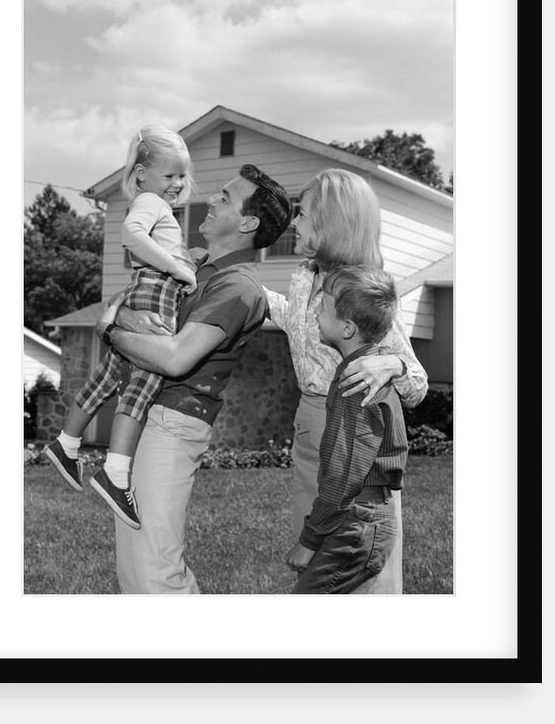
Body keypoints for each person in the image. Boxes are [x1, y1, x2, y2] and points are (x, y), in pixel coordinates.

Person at [104, 164, 292, 593]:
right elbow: (128, 302)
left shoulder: (239, 288)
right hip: (141, 415)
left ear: (248, 222)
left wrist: (112, 330)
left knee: (156, 573)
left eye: (225, 197)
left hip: (173, 423)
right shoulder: (194, 265)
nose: (211, 199)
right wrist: (126, 314)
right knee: (132, 571)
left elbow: (174, 358)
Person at [264, 168, 427, 593]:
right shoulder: (305, 276)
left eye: (302, 214)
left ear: (332, 223)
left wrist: (391, 365)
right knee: (319, 553)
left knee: (358, 560)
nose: (293, 222)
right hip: (309, 426)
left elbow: (418, 384)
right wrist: (244, 289)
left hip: (355, 435)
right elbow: (296, 323)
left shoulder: (359, 290)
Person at [44, 125, 198, 529]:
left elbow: (146, 250)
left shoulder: (154, 204)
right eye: (169, 175)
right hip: (156, 293)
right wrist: (176, 266)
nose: (178, 184)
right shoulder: (149, 201)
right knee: (144, 381)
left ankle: (67, 443)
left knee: (111, 372)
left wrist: (184, 256)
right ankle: (115, 473)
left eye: (181, 175)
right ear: (142, 173)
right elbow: (131, 236)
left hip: (143, 288)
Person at [286, 264, 409, 593]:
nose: (314, 314)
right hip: (363, 518)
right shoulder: (366, 370)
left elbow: (343, 475)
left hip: (359, 523)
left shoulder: (356, 384)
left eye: (322, 308)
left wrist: (309, 541)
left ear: (348, 328)